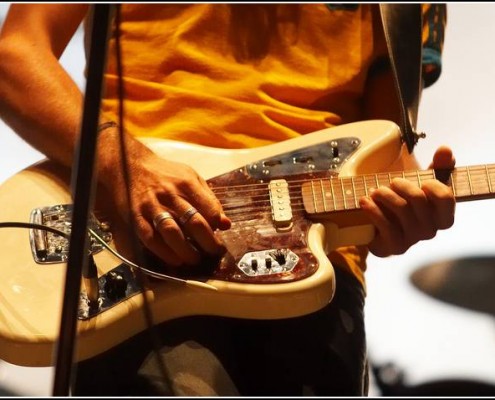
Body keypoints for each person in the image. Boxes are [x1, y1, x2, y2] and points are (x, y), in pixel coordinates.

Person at [0, 3, 454, 396]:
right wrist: (124, 164)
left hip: (317, 279)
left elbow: (390, 151)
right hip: (148, 248)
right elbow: (15, 57)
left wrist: (406, 213)